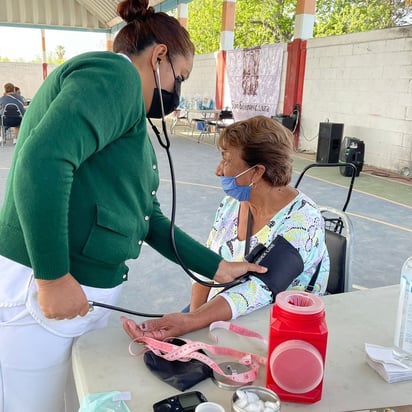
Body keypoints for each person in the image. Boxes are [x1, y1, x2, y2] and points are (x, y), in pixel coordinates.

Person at [0, 1, 266, 411]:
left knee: (72, 400)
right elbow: (43, 161)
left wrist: (216, 267)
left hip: (73, 295)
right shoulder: (116, 77)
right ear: (159, 55)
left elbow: (147, 217)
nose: (178, 90)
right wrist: (52, 277)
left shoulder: (127, 117)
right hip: (47, 288)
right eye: (181, 76)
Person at [122, 115, 330, 341]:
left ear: (257, 172)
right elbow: (208, 264)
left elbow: (257, 289)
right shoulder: (232, 205)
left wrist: (190, 323)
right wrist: (192, 319)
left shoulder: (303, 221)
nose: (219, 171)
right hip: (222, 311)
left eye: (227, 160)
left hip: (274, 327)